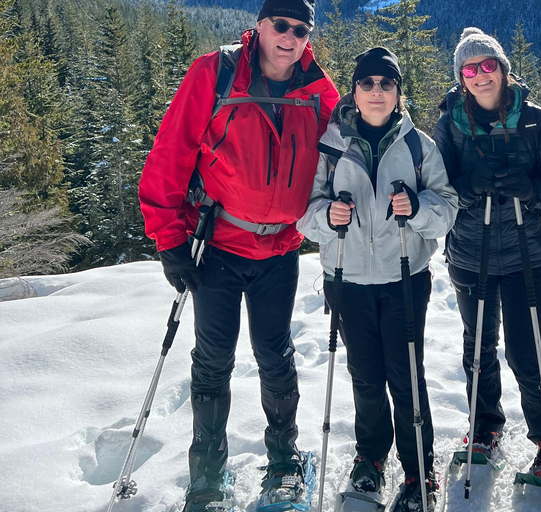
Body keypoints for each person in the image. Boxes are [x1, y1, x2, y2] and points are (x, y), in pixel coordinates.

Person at [137, 0, 340, 509]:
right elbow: (171, 153)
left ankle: (284, 460)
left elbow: (347, 160)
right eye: (280, 25)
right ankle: (206, 477)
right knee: (212, 361)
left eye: (300, 29)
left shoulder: (318, 91)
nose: (289, 37)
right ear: (260, 25)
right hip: (217, 247)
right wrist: (169, 241)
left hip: (280, 248)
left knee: (275, 355)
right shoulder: (216, 73)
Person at [297, 47, 457, 511]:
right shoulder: (330, 146)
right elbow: (304, 216)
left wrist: (419, 208)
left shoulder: (418, 145)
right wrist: (329, 215)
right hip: (346, 278)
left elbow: (447, 208)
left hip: (405, 278)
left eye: (386, 84)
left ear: (398, 93)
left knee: (407, 377)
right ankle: (371, 457)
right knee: (364, 377)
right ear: (354, 90)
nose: (376, 91)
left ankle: (417, 466)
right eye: (367, 83)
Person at [432, 28, 541, 482]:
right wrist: (467, 190)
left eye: (487, 65)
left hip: (525, 254)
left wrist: (531, 191)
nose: (480, 75)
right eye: (469, 69)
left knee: (526, 351)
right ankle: (485, 427)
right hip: (470, 253)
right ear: (460, 77)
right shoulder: (449, 122)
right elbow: (438, 186)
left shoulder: (536, 120)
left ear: (503, 67)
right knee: (477, 346)